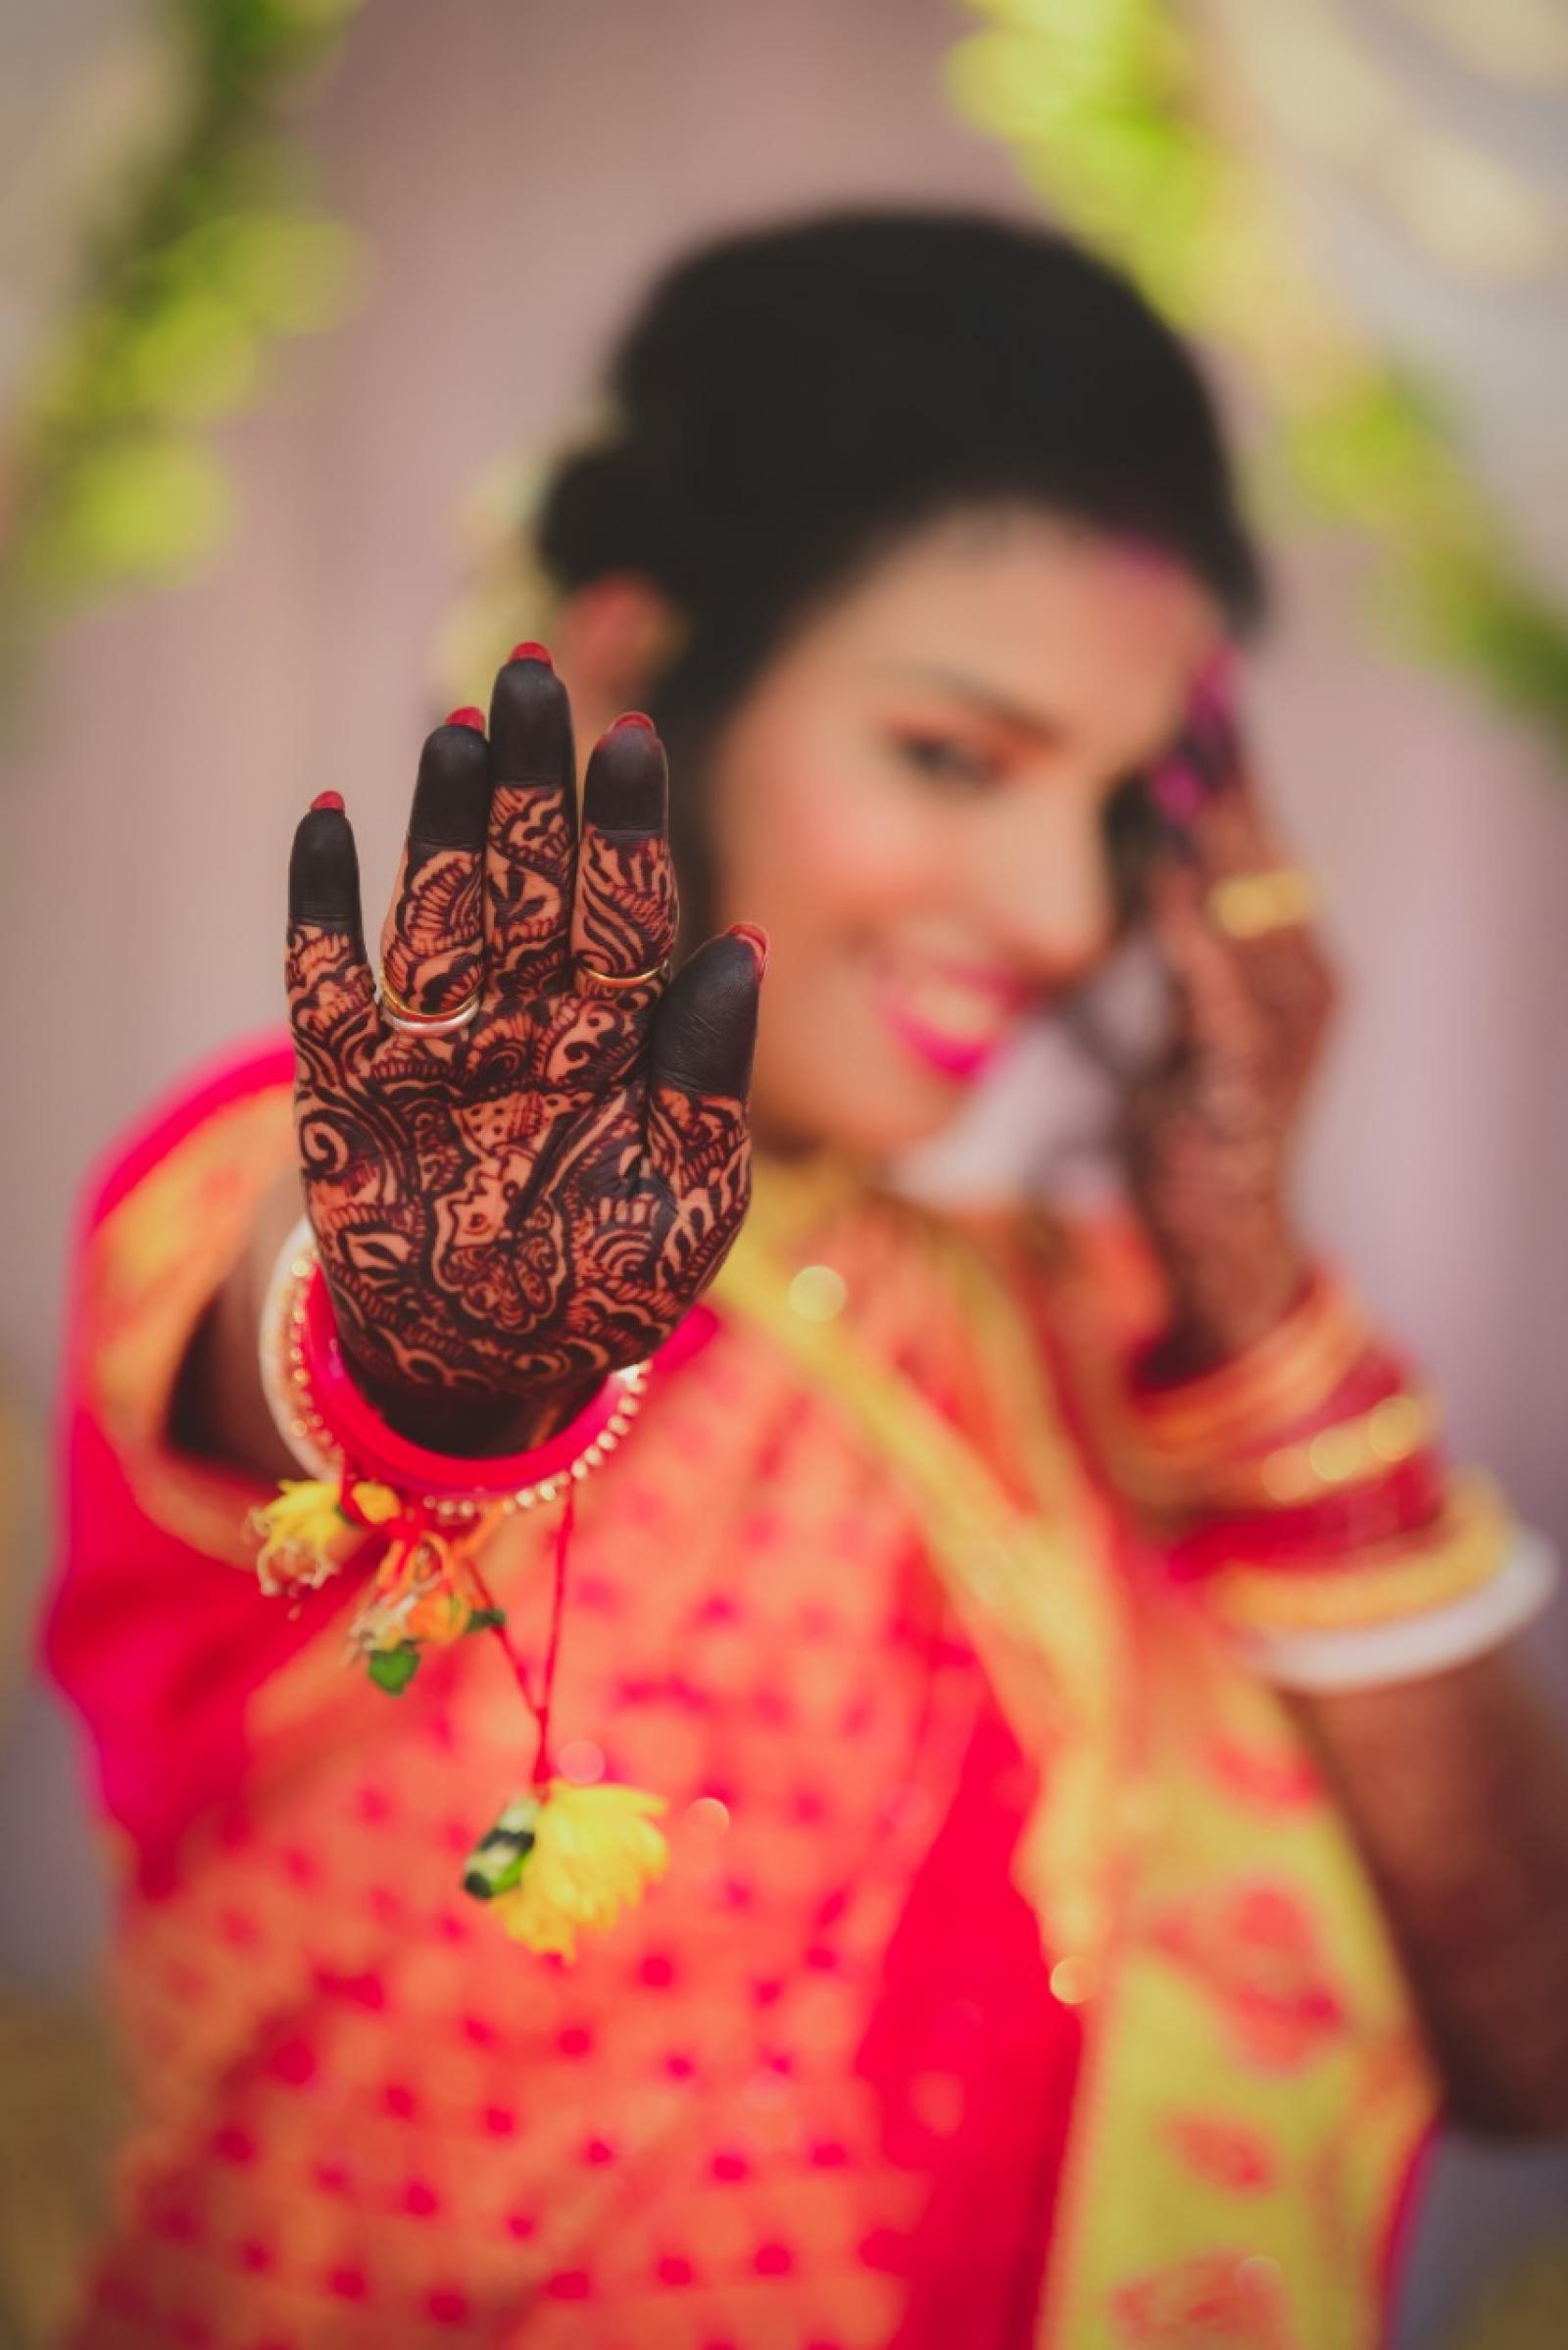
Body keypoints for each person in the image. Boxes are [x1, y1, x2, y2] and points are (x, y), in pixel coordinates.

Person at [46, 211, 1568, 2350]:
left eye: (1119, 807)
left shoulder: (1101, 1325)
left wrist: (1250, 1291)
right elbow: (335, 1348)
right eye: (952, 755)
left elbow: (1529, 2036)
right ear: (639, 667)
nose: (1060, 915)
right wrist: (454, 1347)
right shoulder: (312, 1184)